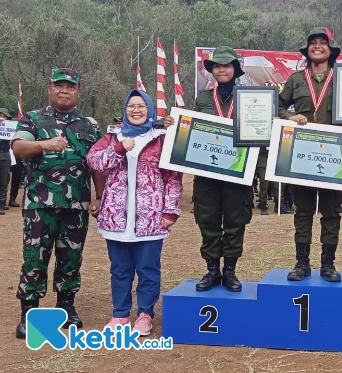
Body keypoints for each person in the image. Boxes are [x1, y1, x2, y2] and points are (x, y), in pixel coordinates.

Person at [11, 68, 105, 339]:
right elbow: (18, 148)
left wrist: (99, 196)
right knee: (35, 258)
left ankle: (66, 307)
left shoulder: (89, 125)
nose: (64, 90)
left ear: (78, 92)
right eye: (59, 85)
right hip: (40, 205)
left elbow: (97, 164)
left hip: (75, 206)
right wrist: (45, 144)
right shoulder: (32, 119)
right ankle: (29, 313)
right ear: (49, 89)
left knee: (71, 258)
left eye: (70, 86)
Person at [86, 89, 183, 336]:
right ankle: (120, 315)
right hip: (116, 218)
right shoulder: (112, 137)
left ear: (150, 110)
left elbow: (173, 177)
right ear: (124, 110)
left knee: (148, 269)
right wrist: (118, 148)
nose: (136, 110)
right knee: (119, 269)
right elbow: (94, 162)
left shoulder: (161, 138)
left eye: (141, 106)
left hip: (150, 219)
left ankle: (145, 314)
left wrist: (170, 210)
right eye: (131, 106)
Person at [165, 46, 252, 293]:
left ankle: (230, 271)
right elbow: (190, 130)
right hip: (207, 172)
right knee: (208, 220)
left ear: (235, 70)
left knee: (236, 221)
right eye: (217, 66)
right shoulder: (203, 99)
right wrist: (174, 124)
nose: (222, 69)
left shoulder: (250, 98)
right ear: (212, 70)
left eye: (226, 65)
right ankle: (213, 270)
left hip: (237, 171)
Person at [278, 27, 342, 283]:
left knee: (331, 212)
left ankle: (328, 264)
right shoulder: (296, 79)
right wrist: (289, 117)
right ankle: (302, 263)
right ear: (307, 50)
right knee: (303, 211)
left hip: (335, 154)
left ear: (330, 50)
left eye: (322, 43)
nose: (317, 46)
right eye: (313, 43)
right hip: (303, 153)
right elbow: (278, 104)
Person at [0, 107, 13, 214]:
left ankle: (1, 204)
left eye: (4, 117)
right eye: (0, 116)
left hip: (5, 156)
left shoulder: (10, 128)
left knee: (4, 181)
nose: (2, 119)